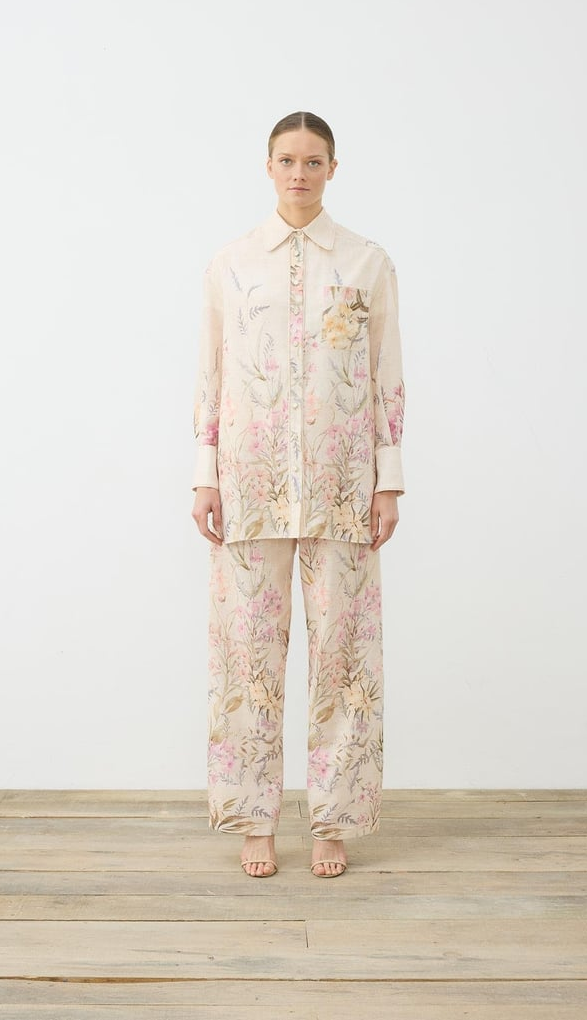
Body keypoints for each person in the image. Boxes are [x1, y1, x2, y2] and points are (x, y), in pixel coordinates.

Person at [192, 111, 405, 878]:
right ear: (268, 165)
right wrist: (205, 472)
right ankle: (253, 817)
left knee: (342, 659)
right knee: (247, 657)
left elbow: (386, 376)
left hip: (342, 488)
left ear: (333, 169)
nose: (300, 173)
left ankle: (334, 818)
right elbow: (211, 374)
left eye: (314, 161)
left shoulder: (367, 263)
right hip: (249, 486)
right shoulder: (231, 264)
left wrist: (388, 480)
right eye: (287, 160)